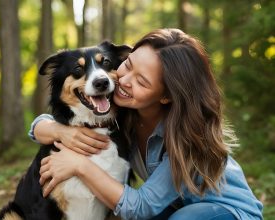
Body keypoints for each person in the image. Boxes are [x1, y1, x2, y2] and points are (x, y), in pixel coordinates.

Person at [29, 28, 263, 219]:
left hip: (229, 212)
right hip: (174, 206)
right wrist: (54, 130)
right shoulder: (121, 109)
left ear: (166, 96)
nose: (125, 81)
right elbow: (52, 121)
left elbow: (140, 206)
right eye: (128, 65)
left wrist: (79, 165)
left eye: (141, 81)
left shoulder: (187, 136)